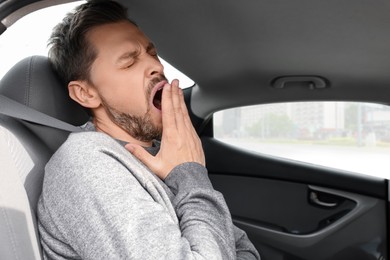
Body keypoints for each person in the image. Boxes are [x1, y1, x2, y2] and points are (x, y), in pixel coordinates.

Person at [37, 1, 260, 259]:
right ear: (85, 93)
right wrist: (191, 174)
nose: (157, 66)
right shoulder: (86, 162)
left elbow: (246, 250)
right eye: (129, 61)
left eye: (151, 53)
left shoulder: (163, 157)